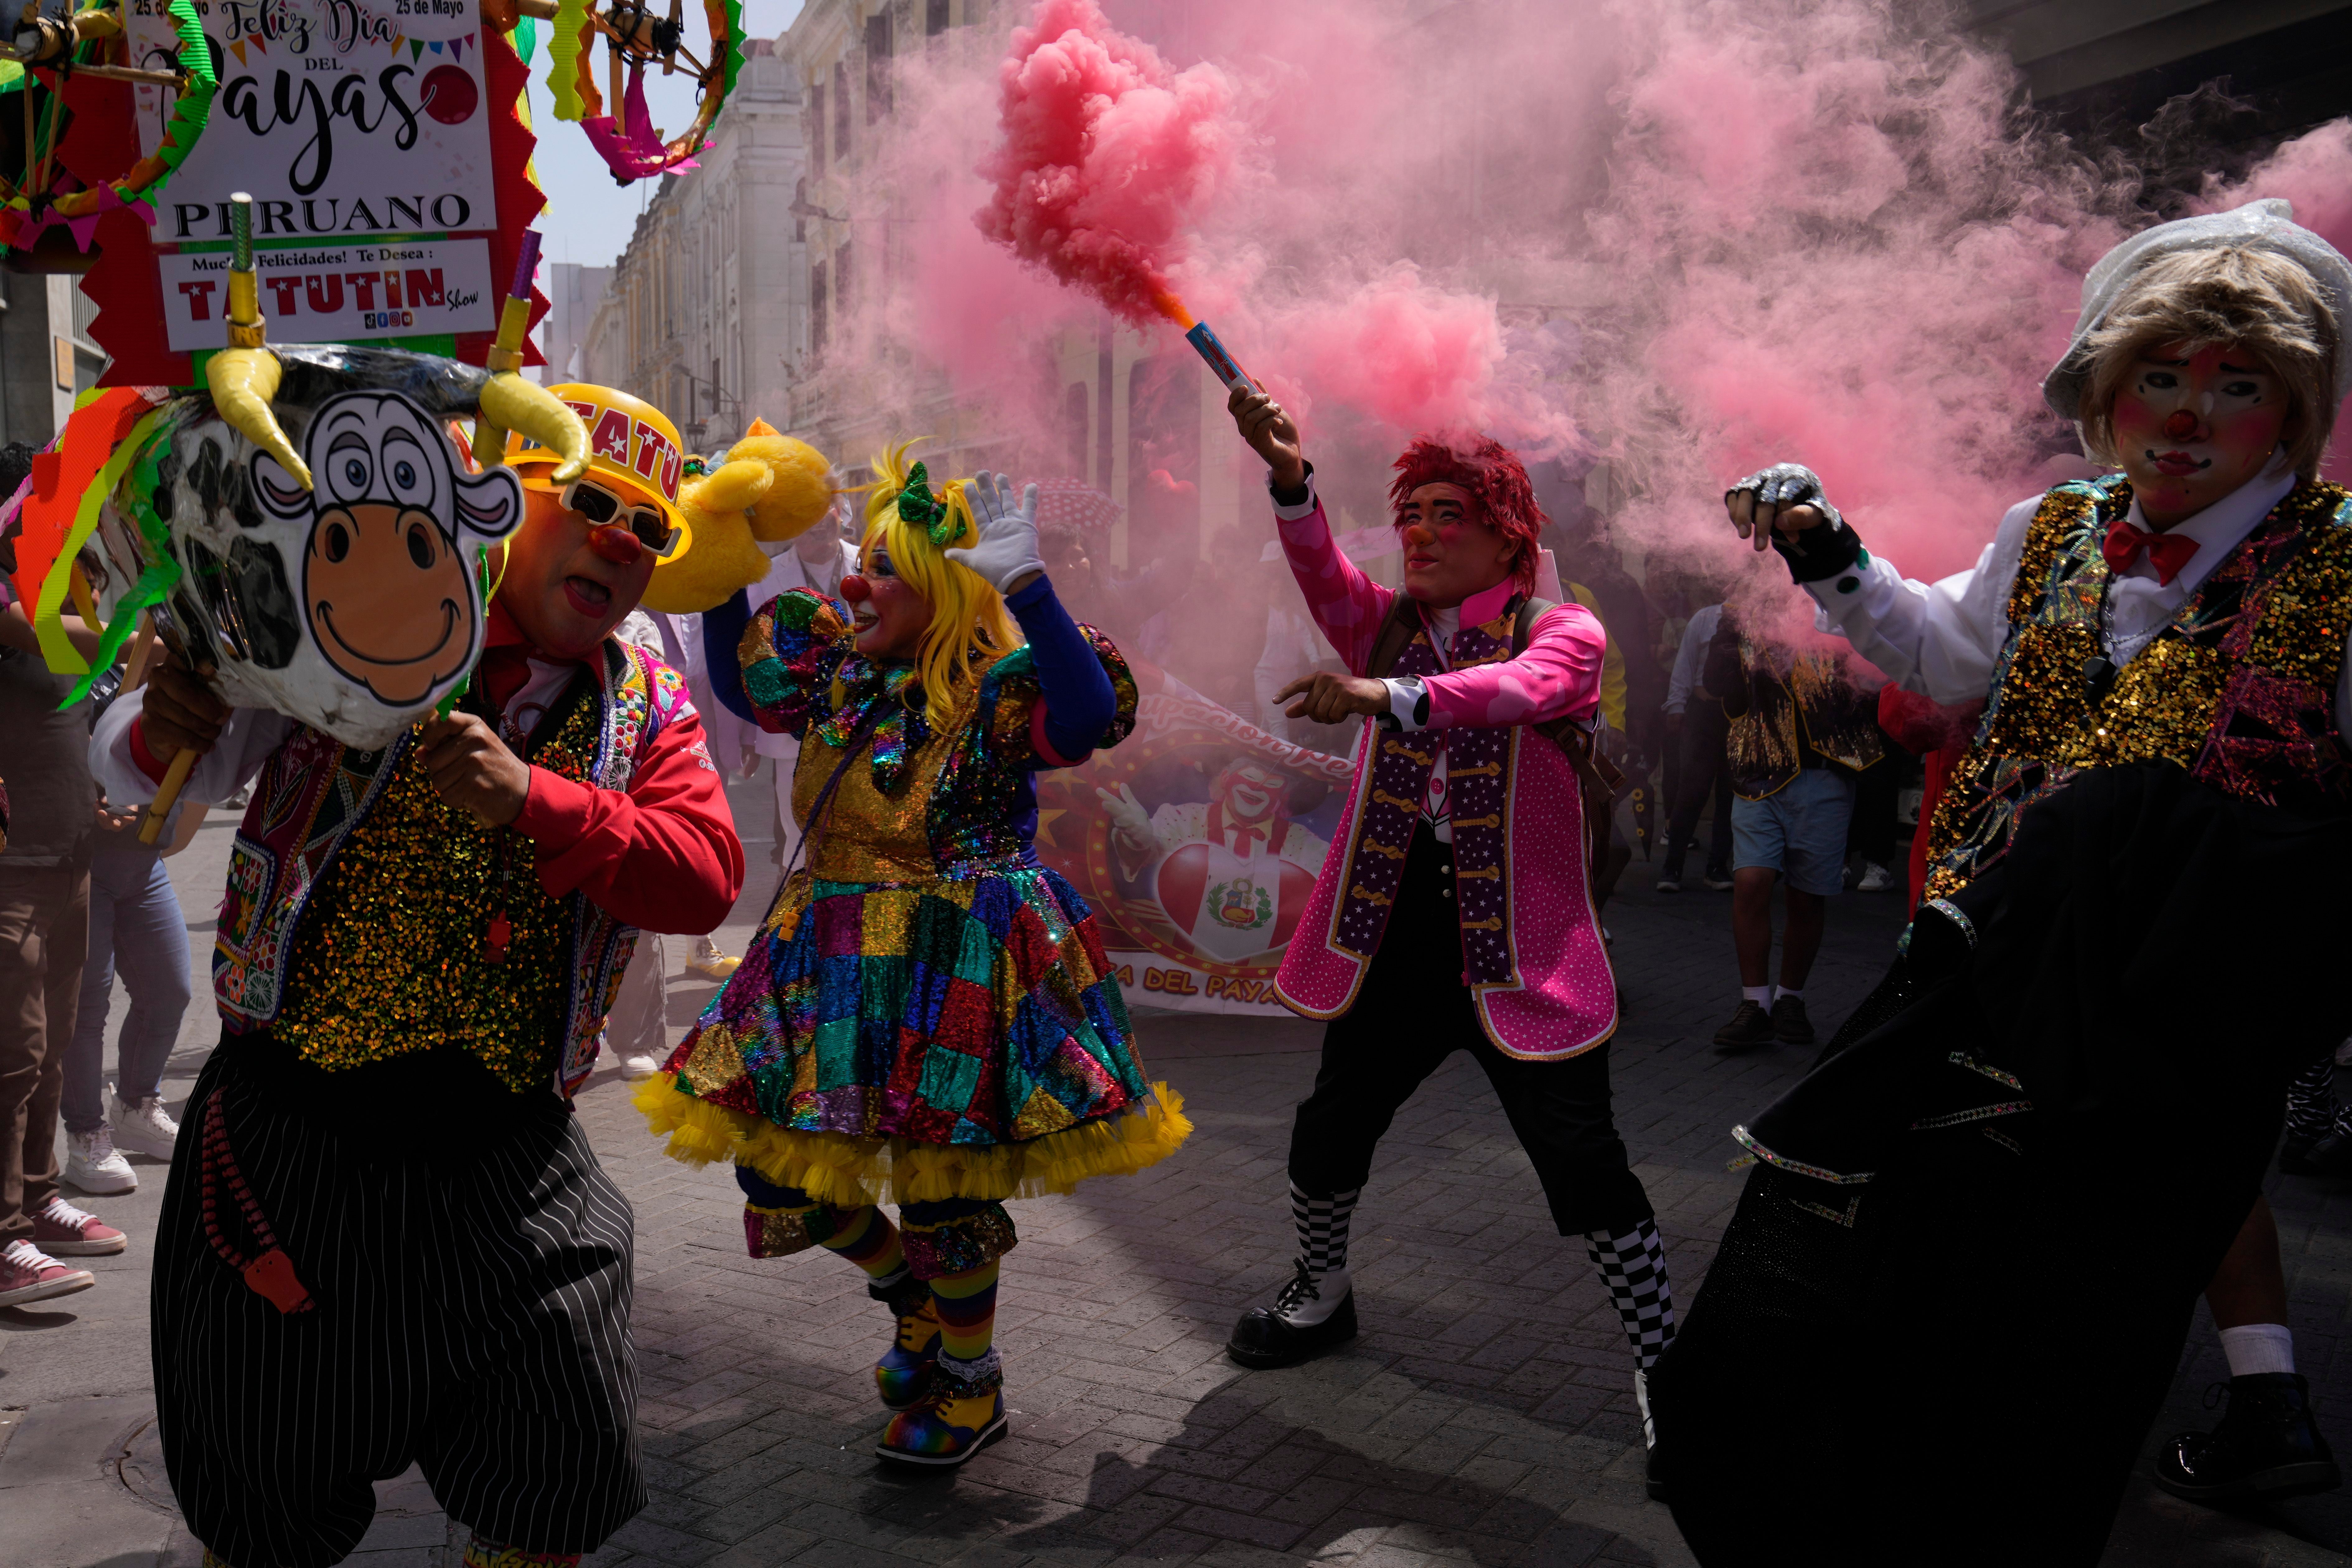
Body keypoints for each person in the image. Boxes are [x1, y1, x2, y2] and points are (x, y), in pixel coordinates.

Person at [1654, 202, 2352, 1562]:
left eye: (2236, 385)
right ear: (2105, 390)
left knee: (2068, 1371)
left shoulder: (2343, 558)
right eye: (2159, 375)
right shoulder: (2052, 525)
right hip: (1974, 990)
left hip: (2173, 1048)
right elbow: (1939, 653)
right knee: (1884, 1296)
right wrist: (1824, 547)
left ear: (2295, 407)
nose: (2186, 416)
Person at [96, 383, 744, 1568]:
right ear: (500, 502)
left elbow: (704, 875)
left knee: (557, 1438)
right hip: (294, 1137)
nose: (621, 543)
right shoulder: (350, 608)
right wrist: (162, 720)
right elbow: (166, 773)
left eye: (651, 529)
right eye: (591, 502)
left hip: (507, 1149)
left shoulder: (649, 703)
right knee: (261, 1475)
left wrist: (541, 799)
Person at [638, 450, 1185, 1469]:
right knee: (772, 1165)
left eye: (885, 568)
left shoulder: (995, 691)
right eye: (866, 562)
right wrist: (721, 556)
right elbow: (741, 684)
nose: (856, 583)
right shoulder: (837, 675)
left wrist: (1029, 587)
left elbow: (1083, 715)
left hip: (954, 958)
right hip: (832, 955)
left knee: (944, 1190)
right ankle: (910, 1298)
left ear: (942, 588)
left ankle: (971, 1385)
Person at [1217, 388, 1675, 1496]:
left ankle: (1669, 1368)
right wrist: (1292, 479)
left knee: (1585, 1162)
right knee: (1331, 1126)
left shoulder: (1562, 629)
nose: (1418, 533)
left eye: (1446, 515)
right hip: (1395, 936)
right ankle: (1321, 1291)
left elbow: (1517, 690)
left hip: (1523, 949)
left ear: (1507, 537)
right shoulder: (1386, 624)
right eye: (1409, 513)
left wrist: (1385, 693)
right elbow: (1323, 575)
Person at [0, 524, 126, 1305]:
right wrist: (147, 632)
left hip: (66, 860)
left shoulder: (51, 599)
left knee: (49, 1050)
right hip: (10, 872)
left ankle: (39, 1200)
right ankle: (2, 1234)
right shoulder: (19, 611)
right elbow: (79, 641)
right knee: (11, 1056)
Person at [1702, 616, 1884, 1051]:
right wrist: (1731, 628)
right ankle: (1755, 1004)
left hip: (1825, 773)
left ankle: (1790, 999)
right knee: (1751, 881)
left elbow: (1872, 678)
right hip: (1757, 770)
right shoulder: (1743, 614)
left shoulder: (1836, 609)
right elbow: (1716, 683)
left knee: (1806, 895)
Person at [62, 777, 193, 1192]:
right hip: (79, 861)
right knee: (86, 1006)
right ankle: (85, 1133)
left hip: (145, 863)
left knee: (169, 993)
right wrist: (95, 789)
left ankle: (136, 1108)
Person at [1657, 602, 1734, 893]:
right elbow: (1685, 664)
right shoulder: (1705, 619)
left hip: (1739, 719)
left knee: (1730, 794)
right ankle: (1672, 867)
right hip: (1703, 714)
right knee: (1691, 790)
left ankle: (1717, 868)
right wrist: (1676, 705)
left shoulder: (1759, 624)